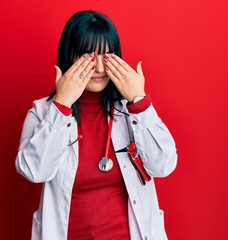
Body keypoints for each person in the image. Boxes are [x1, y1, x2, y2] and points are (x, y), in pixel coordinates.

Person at [15, 10, 177, 240]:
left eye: (108, 55)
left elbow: (163, 165)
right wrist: (62, 105)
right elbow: (34, 171)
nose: (100, 68)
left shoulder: (130, 110)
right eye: (89, 57)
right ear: (69, 55)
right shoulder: (42, 112)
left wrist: (139, 102)